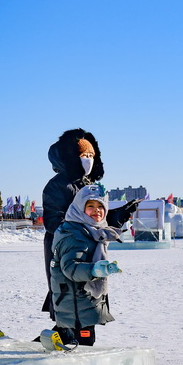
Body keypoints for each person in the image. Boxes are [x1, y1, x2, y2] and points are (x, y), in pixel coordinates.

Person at [41, 129, 136, 320]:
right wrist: (78, 232)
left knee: (88, 296)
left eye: (92, 155)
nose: (88, 160)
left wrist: (118, 215)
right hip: (65, 246)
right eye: (84, 155)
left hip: (89, 245)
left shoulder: (88, 184)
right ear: (72, 157)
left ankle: (79, 334)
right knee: (67, 294)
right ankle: (65, 332)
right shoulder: (59, 185)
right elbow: (54, 222)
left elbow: (95, 219)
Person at [49, 184, 123, 346]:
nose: (97, 210)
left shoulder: (91, 231)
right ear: (79, 207)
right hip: (75, 302)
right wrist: (95, 270)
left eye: (100, 206)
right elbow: (70, 268)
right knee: (83, 345)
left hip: (81, 301)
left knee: (76, 339)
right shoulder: (76, 234)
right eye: (90, 206)